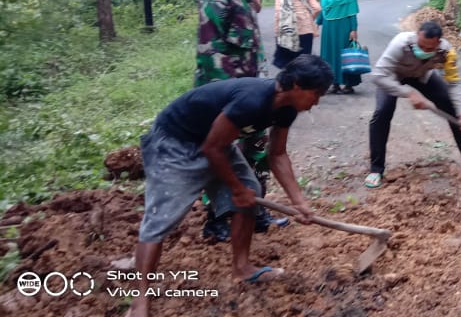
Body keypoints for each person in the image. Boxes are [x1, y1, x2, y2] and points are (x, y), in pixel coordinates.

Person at [127, 54, 332, 317]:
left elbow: (277, 154)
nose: (316, 102)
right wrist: (236, 188)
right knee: (160, 219)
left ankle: (242, 268)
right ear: (296, 86)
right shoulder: (252, 100)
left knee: (251, 193)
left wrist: (299, 202)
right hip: (176, 142)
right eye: (316, 94)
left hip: (215, 142)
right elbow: (211, 148)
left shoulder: (287, 109)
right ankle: (139, 300)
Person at [197, 0, 285, 241]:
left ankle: (257, 211)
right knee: (223, 153)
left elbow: (251, 49)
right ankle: (217, 218)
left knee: (256, 151)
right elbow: (209, 53)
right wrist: (229, 101)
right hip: (226, 98)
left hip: (253, 94)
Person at [364, 21, 461, 188]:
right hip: (392, 77)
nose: (424, 51)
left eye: (429, 49)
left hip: (422, 76)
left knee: (449, 105)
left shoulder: (447, 51)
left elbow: (454, 83)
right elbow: (378, 76)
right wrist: (409, 93)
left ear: (438, 43)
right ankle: (376, 170)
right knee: (382, 112)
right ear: (417, 35)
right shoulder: (400, 43)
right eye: (421, 45)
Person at [319, 0, 362, 94]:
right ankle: (334, 83)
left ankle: (349, 84)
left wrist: (353, 29)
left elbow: (352, 12)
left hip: (344, 26)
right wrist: (317, 22)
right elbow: (324, 7)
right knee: (329, 55)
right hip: (328, 27)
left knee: (346, 54)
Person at [273, 0, 322, 68]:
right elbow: (318, 8)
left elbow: (279, 11)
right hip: (306, 32)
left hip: (288, 31)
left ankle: (289, 83)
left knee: (288, 64)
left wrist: (277, 32)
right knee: (303, 64)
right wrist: (309, 19)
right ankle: (304, 83)